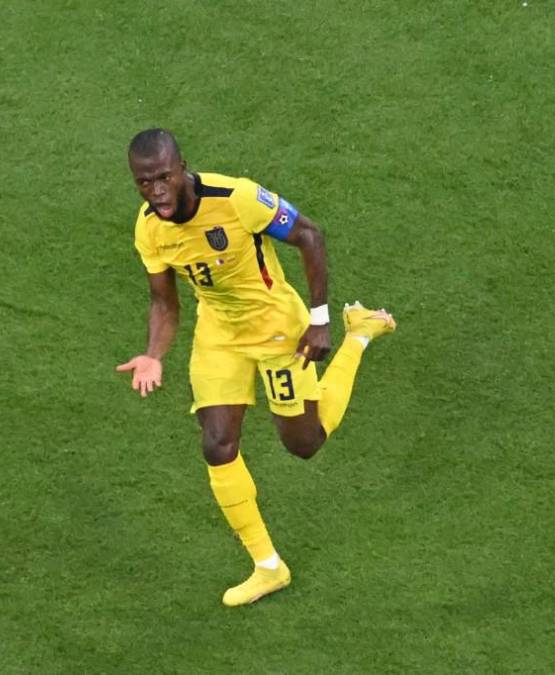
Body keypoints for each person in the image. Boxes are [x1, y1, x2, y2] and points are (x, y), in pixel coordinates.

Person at [116, 128, 397, 607]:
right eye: (144, 182)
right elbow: (163, 302)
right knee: (217, 443)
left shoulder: (237, 198)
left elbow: (309, 235)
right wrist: (153, 354)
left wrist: (320, 321)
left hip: (276, 328)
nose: (156, 191)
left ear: (182, 167)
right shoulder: (149, 229)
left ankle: (360, 333)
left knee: (304, 443)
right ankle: (268, 567)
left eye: (163, 177)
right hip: (219, 334)